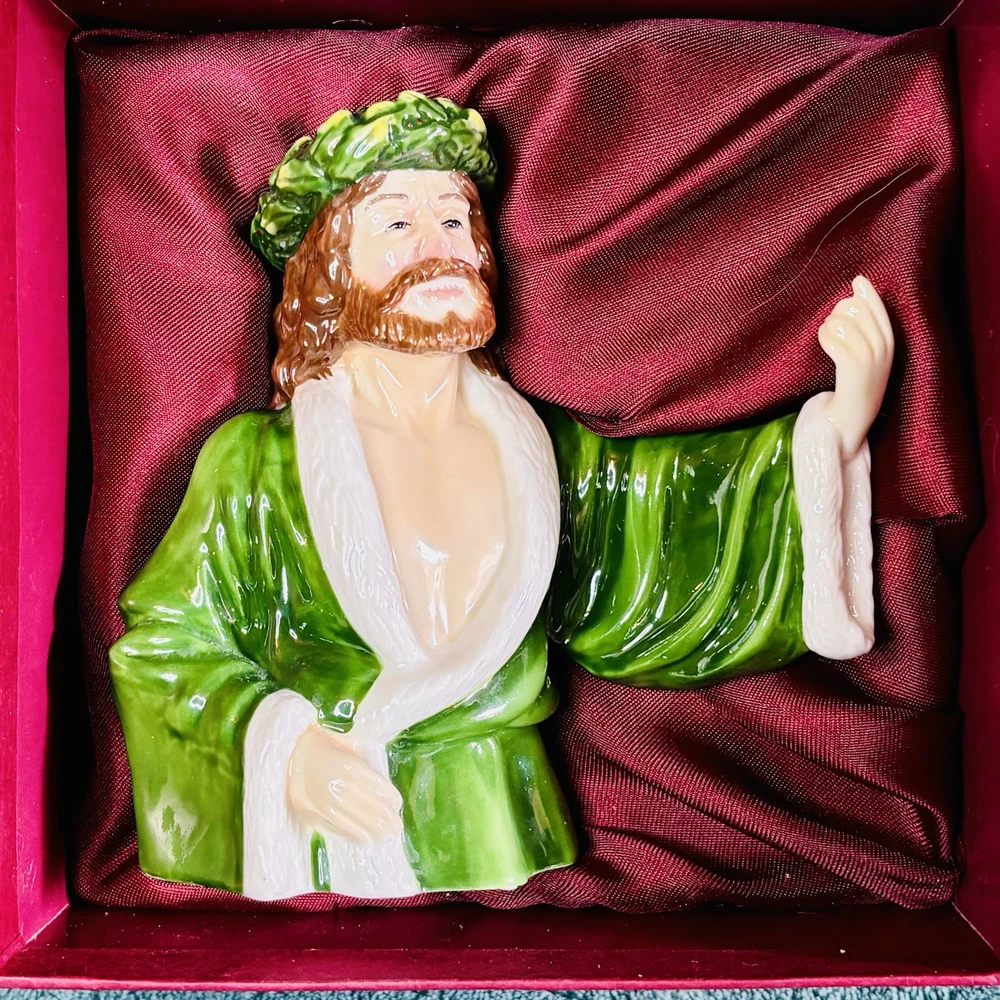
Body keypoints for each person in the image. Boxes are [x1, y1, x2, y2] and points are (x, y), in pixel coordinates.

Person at [108, 92, 893, 901]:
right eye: (397, 223)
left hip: (503, 815)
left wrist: (833, 430)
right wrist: (284, 753)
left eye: (455, 220)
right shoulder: (257, 463)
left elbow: (663, 518)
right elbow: (169, 644)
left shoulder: (540, 450)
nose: (439, 247)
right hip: (339, 825)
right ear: (329, 269)